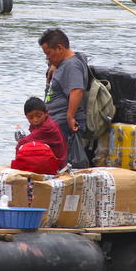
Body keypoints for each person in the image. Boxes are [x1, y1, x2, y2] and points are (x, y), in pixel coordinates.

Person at [39, 28, 90, 168]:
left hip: (63, 125)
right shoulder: (63, 64)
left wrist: (70, 117)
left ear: (60, 48)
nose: (47, 58)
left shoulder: (72, 65)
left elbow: (77, 90)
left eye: (48, 53)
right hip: (55, 122)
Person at [15, 97, 66, 170]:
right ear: (26, 117)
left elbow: (21, 143)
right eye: (30, 117)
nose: (35, 120)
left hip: (57, 165)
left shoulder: (47, 127)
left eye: (38, 116)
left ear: (46, 113)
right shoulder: (44, 123)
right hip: (55, 161)